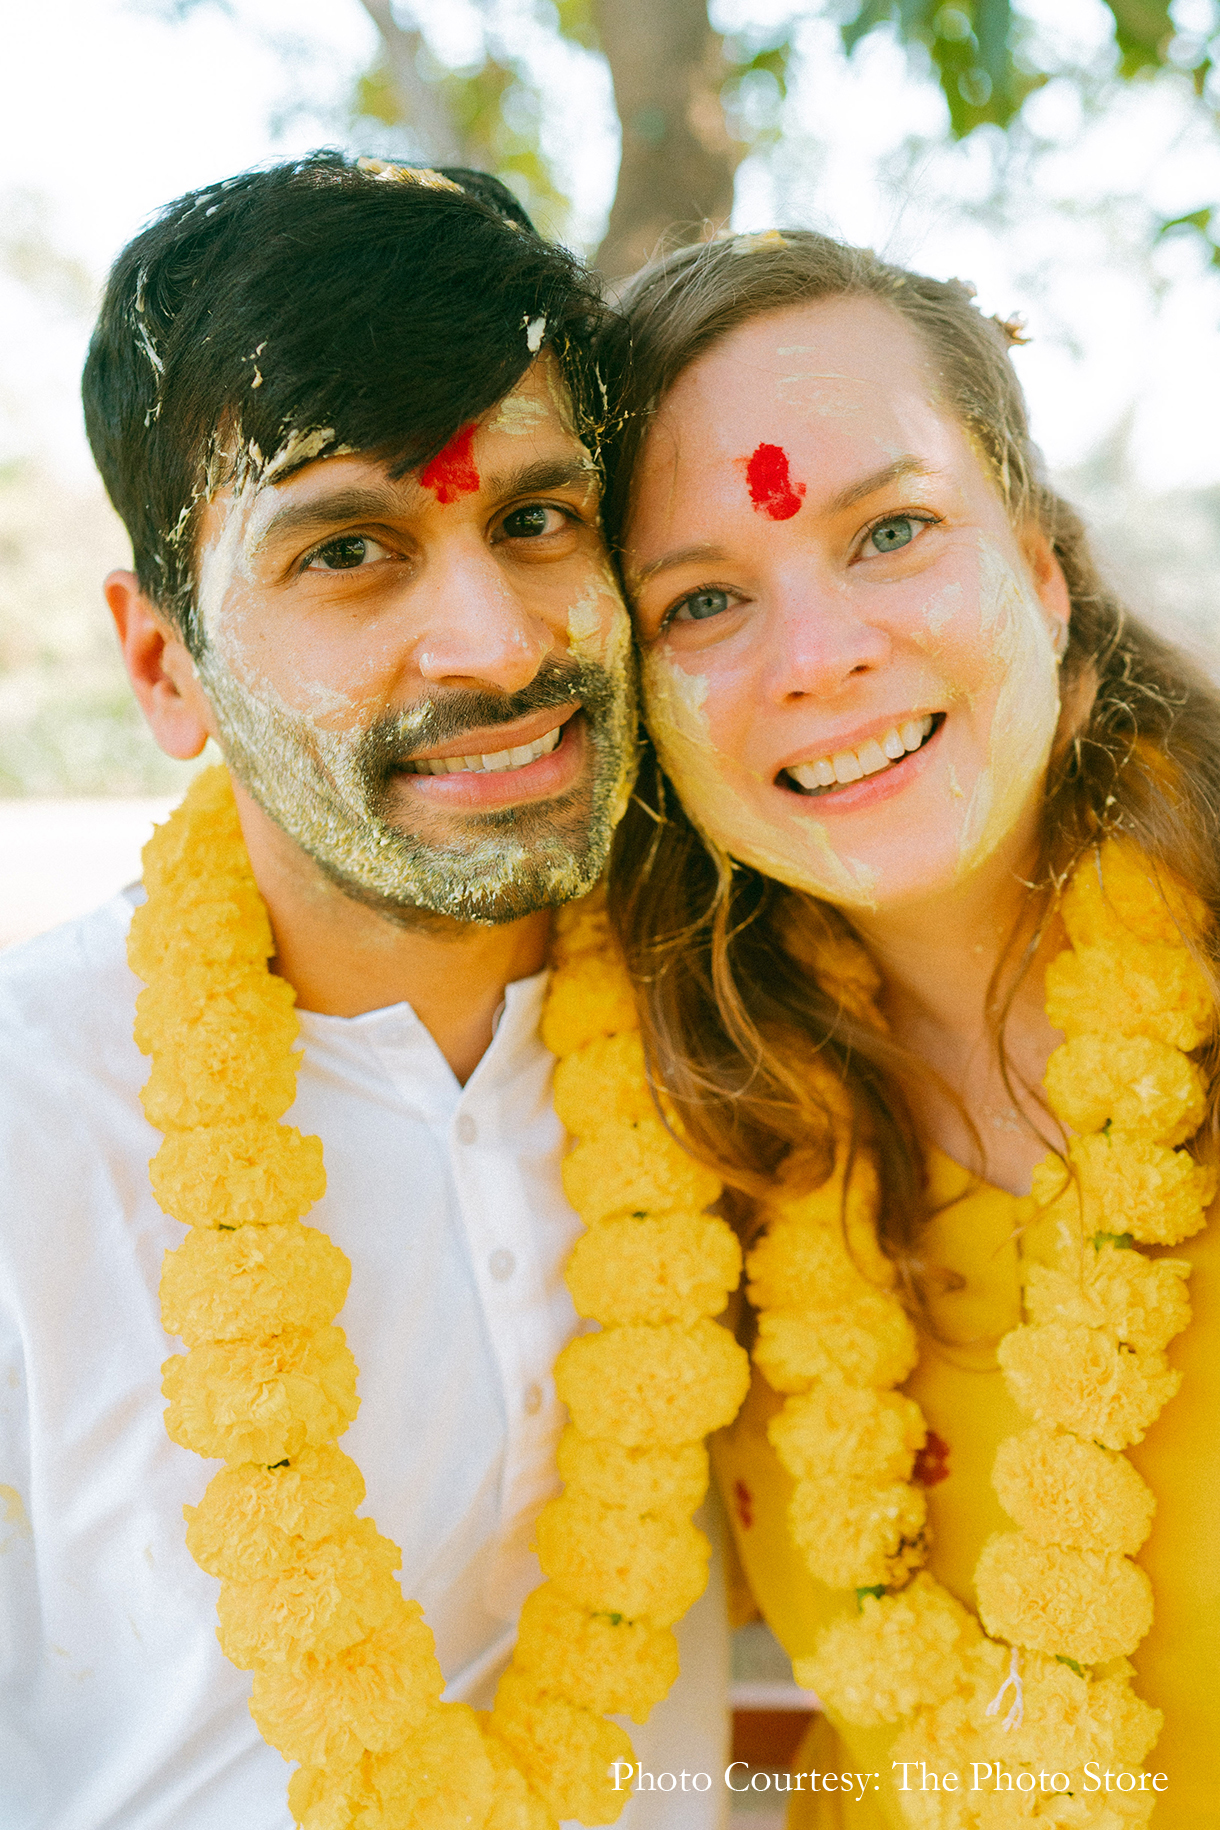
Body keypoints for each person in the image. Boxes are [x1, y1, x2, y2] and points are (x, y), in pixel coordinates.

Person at [0, 155, 736, 1830]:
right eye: (349, 548)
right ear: (163, 664)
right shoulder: (26, 1120)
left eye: (536, 520)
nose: (496, 644)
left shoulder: (742, 1014)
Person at [597, 232, 1220, 1828]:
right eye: (703, 600)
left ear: (1042, 565)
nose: (822, 659)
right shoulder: (672, 1136)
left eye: (891, 531)